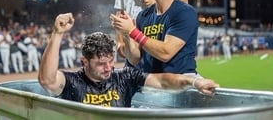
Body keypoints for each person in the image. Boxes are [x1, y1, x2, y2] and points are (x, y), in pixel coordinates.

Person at [38, 13, 218, 107]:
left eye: (111, 61)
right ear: (84, 61)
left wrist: (194, 81)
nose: (108, 68)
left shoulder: (124, 77)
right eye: (101, 64)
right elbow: (47, 79)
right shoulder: (73, 82)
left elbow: (162, 81)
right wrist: (57, 33)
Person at [110, 0, 199, 75]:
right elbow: (134, 59)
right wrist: (126, 34)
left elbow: (166, 53)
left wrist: (133, 31)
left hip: (179, 82)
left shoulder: (184, 12)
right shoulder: (143, 15)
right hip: (152, 82)